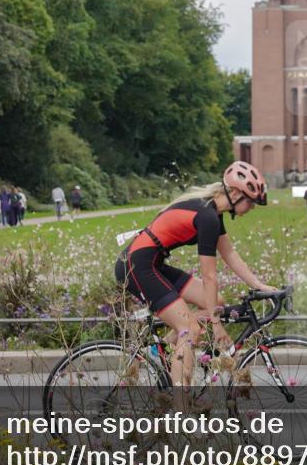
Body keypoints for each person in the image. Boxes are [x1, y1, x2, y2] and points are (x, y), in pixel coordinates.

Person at [115, 160, 275, 393]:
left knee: (216, 302)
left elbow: (229, 254)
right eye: (250, 202)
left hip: (152, 264)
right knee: (190, 329)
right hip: (135, 266)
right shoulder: (207, 216)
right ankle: (181, 406)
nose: (251, 208)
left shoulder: (213, 213)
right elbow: (209, 276)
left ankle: (161, 348)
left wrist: (259, 285)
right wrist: (216, 324)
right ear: (235, 194)